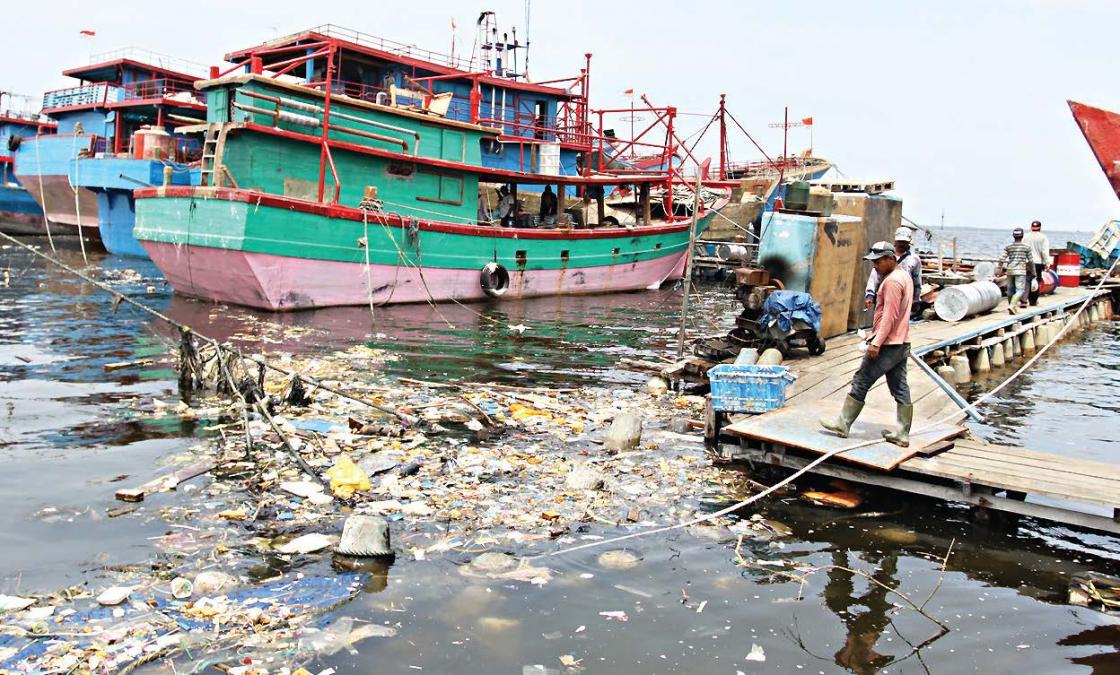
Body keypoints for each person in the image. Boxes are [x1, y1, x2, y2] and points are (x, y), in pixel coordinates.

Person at [821, 241, 914, 447]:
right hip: (901, 342)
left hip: (888, 343)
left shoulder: (891, 282)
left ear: (891, 259)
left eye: (879, 261)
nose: (875, 266)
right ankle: (902, 434)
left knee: (861, 380)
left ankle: (843, 424)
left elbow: (889, 316)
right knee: (899, 387)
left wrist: (876, 342)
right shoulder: (903, 276)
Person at [864, 226, 922, 318]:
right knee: (882, 318)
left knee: (898, 322)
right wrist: (870, 295)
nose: (901, 244)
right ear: (895, 241)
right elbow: (874, 277)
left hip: (903, 296)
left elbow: (917, 281)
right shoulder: (886, 255)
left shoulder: (914, 259)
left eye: (904, 242)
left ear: (909, 242)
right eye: (900, 241)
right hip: (884, 293)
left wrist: (916, 300)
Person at [998, 227, 1032, 314]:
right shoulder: (1027, 247)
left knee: (1010, 290)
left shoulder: (1008, 247)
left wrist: (999, 269)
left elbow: (1001, 259)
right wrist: (1033, 271)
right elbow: (1031, 261)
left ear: (1013, 236)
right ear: (1022, 236)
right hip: (1020, 271)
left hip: (1010, 270)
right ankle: (1012, 306)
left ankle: (1011, 308)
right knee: (1020, 290)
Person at [1023, 220, 1050, 306]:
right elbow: (1044, 251)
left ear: (1031, 227)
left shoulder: (1025, 236)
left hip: (1027, 262)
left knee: (1026, 281)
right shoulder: (1043, 237)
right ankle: (1033, 301)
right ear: (1040, 228)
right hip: (1037, 262)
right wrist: (1047, 263)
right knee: (1036, 281)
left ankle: (1024, 299)